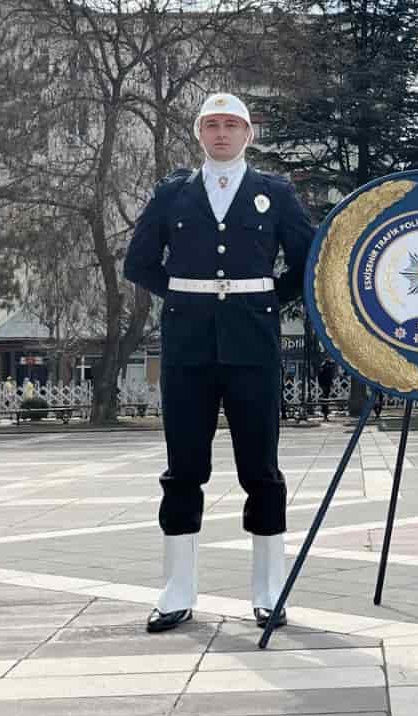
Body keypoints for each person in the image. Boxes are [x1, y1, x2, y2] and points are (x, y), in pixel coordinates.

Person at [124, 92, 314, 631]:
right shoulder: (173, 193)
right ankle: (177, 588)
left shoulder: (274, 192)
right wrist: (183, 294)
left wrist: (270, 298)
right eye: (212, 125)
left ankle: (268, 587)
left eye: (232, 125)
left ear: (249, 134)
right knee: (184, 467)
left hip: (253, 342)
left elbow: (308, 257)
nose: (222, 134)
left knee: (261, 467)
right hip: (188, 345)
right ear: (199, 133)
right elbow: (139, 262)